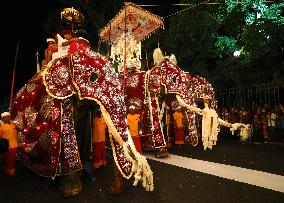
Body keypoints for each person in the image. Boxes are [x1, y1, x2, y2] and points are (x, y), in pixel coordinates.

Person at [0, 112, 18, 177]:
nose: (6, 118)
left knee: (12, 159)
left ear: (9, 117)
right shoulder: (1, 126)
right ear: (2, 119)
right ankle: (5, 171)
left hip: (14, 145)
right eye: (4, 117)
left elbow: (18, 133)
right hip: (4, 146)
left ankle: (11, 172)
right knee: (5, 159)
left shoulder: (14, 125)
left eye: (7, 116)